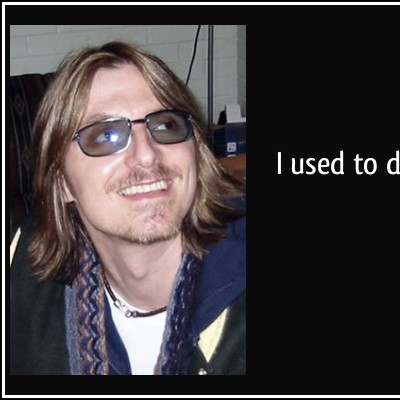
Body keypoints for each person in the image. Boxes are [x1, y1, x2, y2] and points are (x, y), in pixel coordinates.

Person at [8, 41, 246, 375]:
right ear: (62, 183)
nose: (147, 155)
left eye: (165, 125)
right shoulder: (21, 266)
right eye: (105, 135)